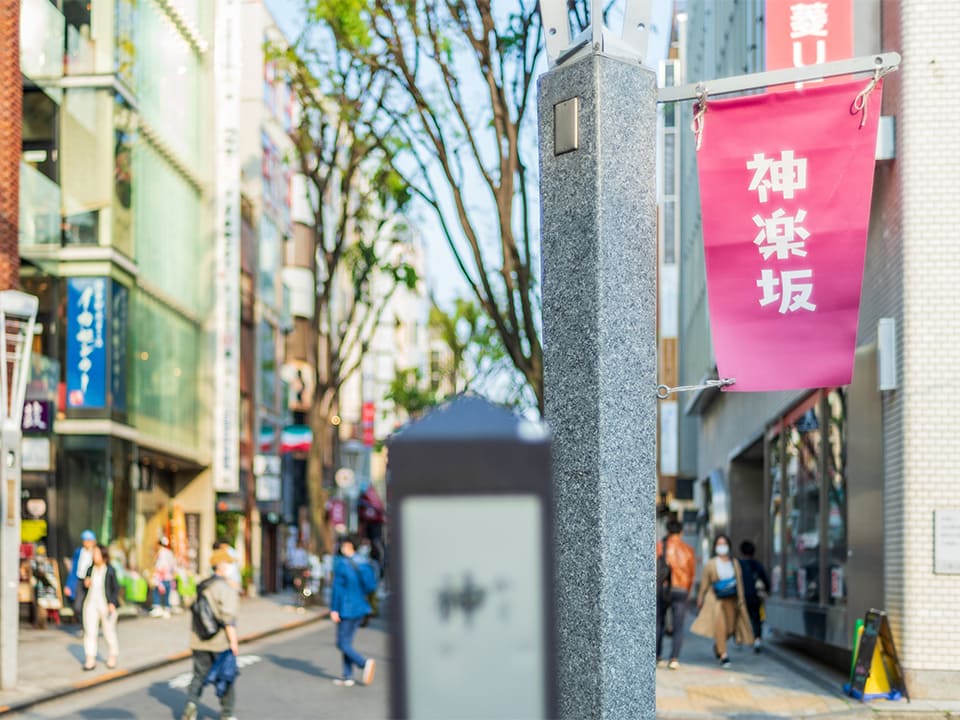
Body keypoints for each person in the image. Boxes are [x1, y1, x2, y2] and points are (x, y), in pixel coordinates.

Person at [181, 548, 240, 720]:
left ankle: (191, 705)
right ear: (221, 566)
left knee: (198, 675)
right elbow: (228, 618)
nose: (231, 567)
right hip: (219, 642)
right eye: (229, 563)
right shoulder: (225, 588)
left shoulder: (202, 585)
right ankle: (227, 714)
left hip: (198, 639)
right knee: (225, 677)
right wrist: (234, 642)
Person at [691, 534, 754, 668]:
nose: (721, 547)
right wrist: (700, 597)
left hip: (732, 600)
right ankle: (724, 655)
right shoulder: (711, 564)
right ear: (715, 547)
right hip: (716, 600)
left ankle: (718, 646)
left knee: (730, 628)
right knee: (720, 626)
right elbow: (704, 583)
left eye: (724, 544)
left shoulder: (734, 562)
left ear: (729, 546)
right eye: (719, 544)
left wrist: (741, 599)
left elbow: (739, 582)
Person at [330, 534, 376, 687]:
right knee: (347, 642)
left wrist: (334, 609)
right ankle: (347, 676)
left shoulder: (342, 564)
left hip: (346, 607)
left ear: (348, 546)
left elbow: (337, 589)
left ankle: (363, 663)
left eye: (343, 545)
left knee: (342, 643)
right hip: (361, 607)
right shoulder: (364, 563)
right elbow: (371, 587)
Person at [656, 519, 696, 669]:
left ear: (667, 531)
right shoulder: (688, 550)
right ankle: (674, 659)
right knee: (678, 626)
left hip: (663, 588)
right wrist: (688, 591)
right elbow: (691, 575)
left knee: (658, 623)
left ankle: (657, 656)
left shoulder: (659, 547)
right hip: (681, 590)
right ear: (681, 532)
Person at [81, 545, 120, 671]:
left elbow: (115, 588)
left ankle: (112, 655)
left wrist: (112, 603)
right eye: (94, 553)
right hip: (91, 603)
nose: (94, 556)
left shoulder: (110, 570)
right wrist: (85, 584)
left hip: (105, 604)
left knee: (108, 632)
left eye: (97, 553)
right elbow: (84, 585)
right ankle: (90, 658)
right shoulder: (90, 569)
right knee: (90, 632)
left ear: (103, 555)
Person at [738, 540, 771, 652]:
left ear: (741, 552)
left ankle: (741, 639)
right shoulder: (757, 565)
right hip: (755, 597)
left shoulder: (738, 565)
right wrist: (767, 590)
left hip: (741, 596)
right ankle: (757, 640)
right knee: (756, 618)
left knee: (742, 617)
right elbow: (765, 580)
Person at [64, 529, 97, 612]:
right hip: (80, 580)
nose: (85, 543)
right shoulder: (79, 552)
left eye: (88, 540)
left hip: (92, 581)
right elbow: (73, 570)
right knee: (78, 606)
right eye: (84, 540)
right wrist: (69, 585)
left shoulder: (96, 552)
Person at [150, 537, 177, 618]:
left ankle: (158, 608)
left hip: (161, 577)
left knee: (157, 592)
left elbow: (160, 566)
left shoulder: (161, 553)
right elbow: (173, 566)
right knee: (167, 594)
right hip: (168, 577)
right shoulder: (170, 553)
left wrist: (155, 574)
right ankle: (167, 609)